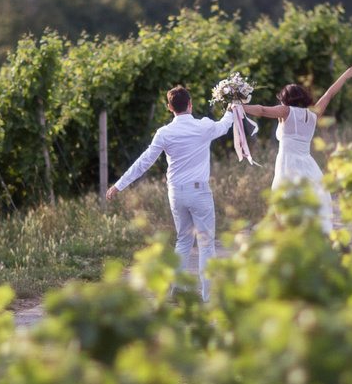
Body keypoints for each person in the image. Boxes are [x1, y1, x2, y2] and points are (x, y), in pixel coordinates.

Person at [105, 84, 255, 297]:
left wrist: (118, 185)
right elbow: (224, 126)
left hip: (175, 193)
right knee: (205, 244)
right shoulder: (203, 126)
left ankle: (176, 290)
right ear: (190, 104)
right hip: (199, 191)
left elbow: (144, 161)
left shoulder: (164, 133)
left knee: (183, 240)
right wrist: (232, 109)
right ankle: (208, 296)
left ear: (169, 107)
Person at [235, 65, 352, 234]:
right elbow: (329, 94)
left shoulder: (286, 111)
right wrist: (344, 76)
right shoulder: (313, 113)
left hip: (288, 164)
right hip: (308, 164)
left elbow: (262, 110)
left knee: (285, 201)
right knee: (311, 199)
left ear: (286, 99)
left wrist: (239, 107)